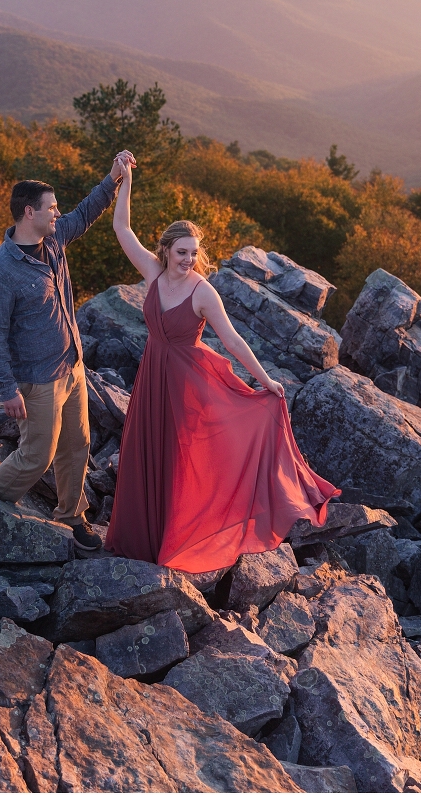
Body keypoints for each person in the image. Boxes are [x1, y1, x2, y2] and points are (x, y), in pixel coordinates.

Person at [105, 155, 340, 573]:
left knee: (178, 462)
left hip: (185, 386)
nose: (188, 260)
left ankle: (173, 543)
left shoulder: (202, 292)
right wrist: (124, 179)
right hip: (151, 379)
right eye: (181, 252)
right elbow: (122, 228)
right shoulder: (153, 273)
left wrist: (265, 380)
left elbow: (231, 340)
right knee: (144, 454)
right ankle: (136, 542)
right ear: (165, 250)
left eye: (194, 253)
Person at [0, 153, 134, 552]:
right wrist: (5, 389)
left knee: (77, 445)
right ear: (29, 213)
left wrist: (113, 178)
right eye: (51, 208)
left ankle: (70, 515)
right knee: (37, 456)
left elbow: (84, 213)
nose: (57, 213)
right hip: (36, 379)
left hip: (72, 366)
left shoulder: (53, 239)